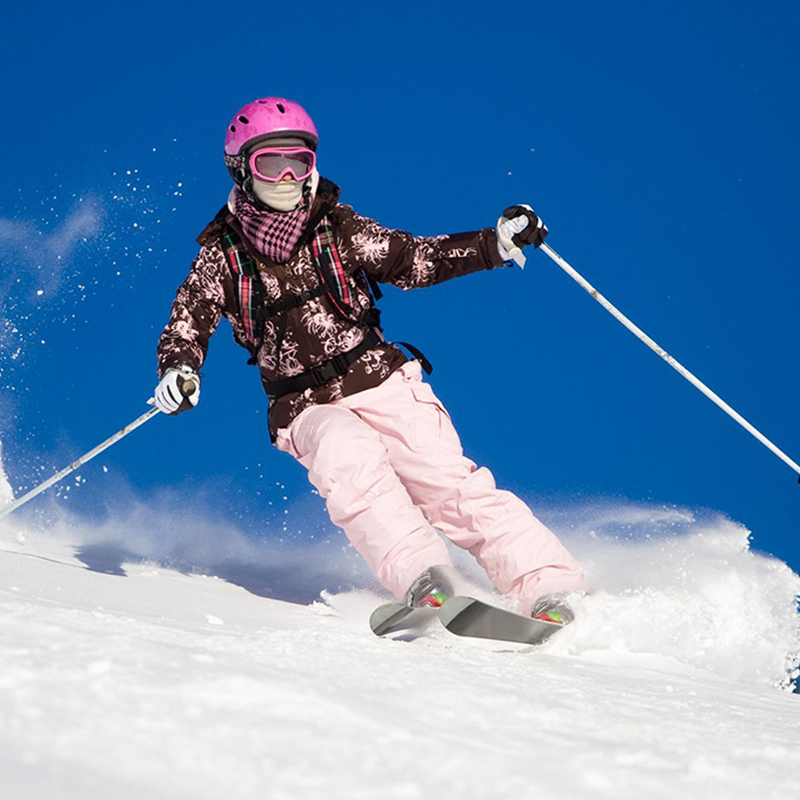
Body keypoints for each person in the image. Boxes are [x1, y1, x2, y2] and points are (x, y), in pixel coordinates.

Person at [154, 97, 585, 624]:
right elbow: (189, 319)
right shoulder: (222, 255)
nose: (287, 177)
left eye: (299, 162)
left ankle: (549, 586)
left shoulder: (336, 227)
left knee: (445, 481)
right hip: (304, 405)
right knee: (347, 458)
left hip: (378, 376)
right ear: (241, 169)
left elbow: (413, 259)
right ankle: (426, 578)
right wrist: (179, 369)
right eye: (271, 163)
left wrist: (491, 244)